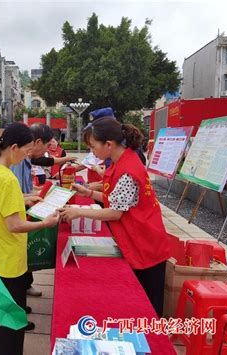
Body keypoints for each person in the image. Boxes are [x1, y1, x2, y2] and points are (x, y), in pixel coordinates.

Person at [59, 117, 170, 317]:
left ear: (108, 144)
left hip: (145, 242)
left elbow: (115, 212)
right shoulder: (122, 160)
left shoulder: (127, 169)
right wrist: (89, 193)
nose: (92, 152)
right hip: (141, 236)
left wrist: (79, 211)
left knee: (149, 306)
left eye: (93, 146)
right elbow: (118, 201)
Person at [0, 122, 59, 355]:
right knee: (11, 324)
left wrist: (24, 199)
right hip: (8, 262)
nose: (27, 155)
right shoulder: (7, 178)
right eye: (25, 150)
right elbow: (14, 225)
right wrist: (46, 223)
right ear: (13, 147)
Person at [11, 123, 74, 298]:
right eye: (47, 145)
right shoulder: (17, 161)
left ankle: (24, 285)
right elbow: (13, 193)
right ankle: (20, 291)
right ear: (37, 142)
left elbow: (24, 189)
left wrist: (39, 193)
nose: (48, 150)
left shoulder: (25, 158)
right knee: (20, 252)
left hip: (24, 205)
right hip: (16, 212)